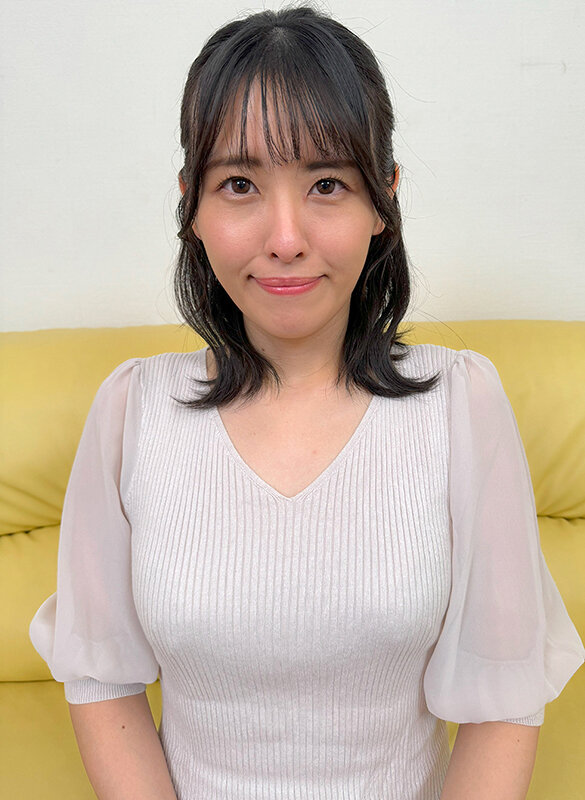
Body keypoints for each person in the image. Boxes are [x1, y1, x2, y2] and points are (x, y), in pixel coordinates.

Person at [29, 6, 585, 800]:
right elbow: (100, 678)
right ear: (192, 206)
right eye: (239, 185)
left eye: (326, 184)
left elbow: (504, 701)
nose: (285, 238)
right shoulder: (131, 412)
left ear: (381, 201)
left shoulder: (460, 404)